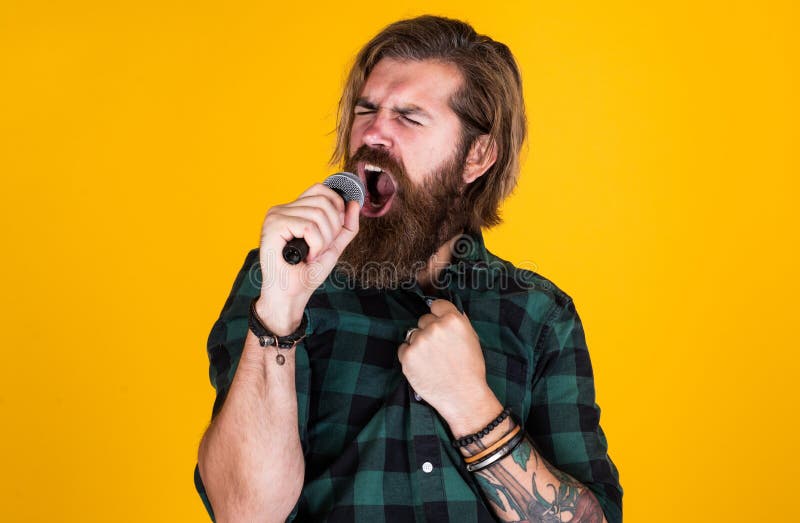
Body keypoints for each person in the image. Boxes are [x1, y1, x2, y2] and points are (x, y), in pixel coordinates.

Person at [194, 15, 622, 523]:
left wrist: (471, 405)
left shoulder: (538, 315)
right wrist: (279, 316)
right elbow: (244, 514)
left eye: (410, 117)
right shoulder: (280, 275)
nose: (373, 132)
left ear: (477, 155)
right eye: (366, 109)